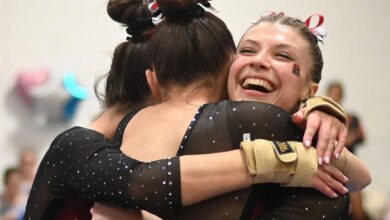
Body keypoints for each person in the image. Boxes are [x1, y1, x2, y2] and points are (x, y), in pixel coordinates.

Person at [25, 1, 369, 220]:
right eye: (246, 50)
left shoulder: (312, 183)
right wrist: (284, 161)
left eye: (282, 55)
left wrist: (323, 112)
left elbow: (359, 176)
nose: (259, 62)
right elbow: (137, 181)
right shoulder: (239, 122)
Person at [326, 81, 368, 220]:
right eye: (333, 94)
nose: (335, 97)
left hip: (349, 167)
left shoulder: (351, 118)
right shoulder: (323, 116)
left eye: (338, 94)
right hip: (330, 166)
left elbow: (362, 136)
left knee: (358, 211)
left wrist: (352, 136)